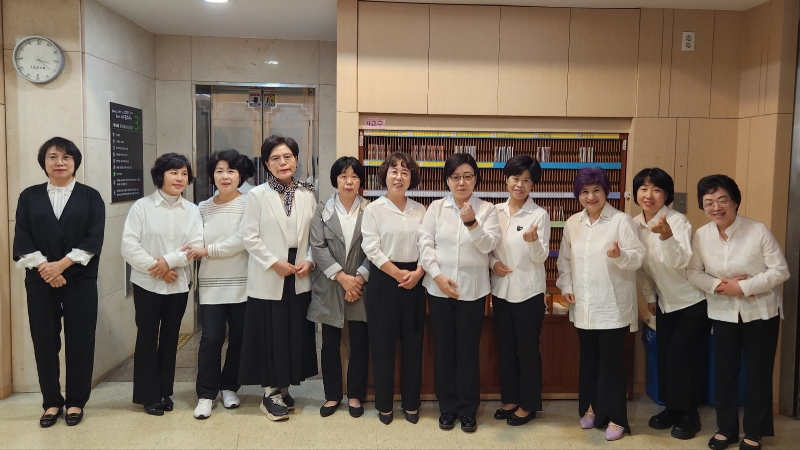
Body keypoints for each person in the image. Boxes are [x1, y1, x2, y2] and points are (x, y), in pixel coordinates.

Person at [687, 175, 790, 450]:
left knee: (758, 374)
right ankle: (726, 429)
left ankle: (754, 432)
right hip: (722, 313)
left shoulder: (758, 231)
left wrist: (743, 287)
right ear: (702, 206)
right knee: (725, 373)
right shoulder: (701, 235)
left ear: (735, 201)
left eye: (723, 200)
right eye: (709, 202)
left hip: (761, 313)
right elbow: (693, 272)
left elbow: (780, 270)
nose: (716, 207)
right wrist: (721, 286)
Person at [13, 137, 105, 427]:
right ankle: (52, 401)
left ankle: (76, 401)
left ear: (75, 162)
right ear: (44, 162)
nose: (60, 162)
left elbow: (94, 238)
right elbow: (22, 237)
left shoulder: (91, 196)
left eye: (66, 157)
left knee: (81, 340)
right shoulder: (29, 196)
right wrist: (46, 268)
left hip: (79, 279)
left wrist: (62, 265)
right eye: (53, 157)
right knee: (44, 340)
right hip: (40, 280)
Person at [556, 167, 644, 441]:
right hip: (583, 305)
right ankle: (591, 408)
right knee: (589, 361)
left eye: (596, 190)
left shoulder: (621, 221)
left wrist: (619, 256)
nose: (590, 196)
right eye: (584, 191)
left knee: (611, 364)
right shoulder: (573, 223)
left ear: (606, 192)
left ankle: (616, 418)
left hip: (612, 305)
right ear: (578, 195)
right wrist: (567, 287)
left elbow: (638, 257)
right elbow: (564, 260)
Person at [419, 153, 501, 433]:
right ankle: (447, 408)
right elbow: (425, 244)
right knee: (443, 351)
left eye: (467, 176)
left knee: (467, 352)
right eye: (455, 177)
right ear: (447, 180)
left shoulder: (487, 210)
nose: (461, 182)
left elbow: (488, 246)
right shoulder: (436, 208)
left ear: (476, 179)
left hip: (473, 292)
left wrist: (472, 223)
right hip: (439, 290)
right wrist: (437, 276)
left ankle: (467, 409)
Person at [239, 135, 318, 422]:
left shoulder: (307, 193)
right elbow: (248, 236)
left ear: (296, 159)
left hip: (299, 272)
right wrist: (274, 263)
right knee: (271, 333)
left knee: (294, 332)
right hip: (270, 273)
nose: (282, 162)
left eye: (287, 157)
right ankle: (269, 394)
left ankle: (283, 388)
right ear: (266, 163)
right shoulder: (257, 195)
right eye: (275, 158)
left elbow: (315, 234)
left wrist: (309, 260)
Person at [121, 153, 203, 416]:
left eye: (184, 173)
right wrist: (157, 269)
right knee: (147, 337)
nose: (180, 178)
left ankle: (165, 391)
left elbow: (195, 245)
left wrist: (168, 262)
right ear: (160, 175)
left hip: (178, 284)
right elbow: (129, 246)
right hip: (147, 284)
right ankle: (148, 395)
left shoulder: (192, 210)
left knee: (170, 338)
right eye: (173, 172)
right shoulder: (142, 207)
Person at [632, 168, 710, 440]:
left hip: (692, 300)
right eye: (643, 188)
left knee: (683, 356)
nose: (649, 195)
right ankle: (672, 409)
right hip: (665, 302)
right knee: (666, 356)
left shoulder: (677, 221)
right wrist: (650, 297)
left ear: (666, 195)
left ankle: (690, 414)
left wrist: (666, 236)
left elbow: (680, 261)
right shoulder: (634, 225)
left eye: (656, 189)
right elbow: (641, 267)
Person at [181, 150, 251, 419]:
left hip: (243, 283)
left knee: (239, 339)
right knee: (211, 338)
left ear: (240, 176)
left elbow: (242, 240)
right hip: (211, 284)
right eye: (219, 171)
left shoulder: (249, 204)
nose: (225, 176)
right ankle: (206, 394)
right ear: (212, 175)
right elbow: (194, 240)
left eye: (231, 171)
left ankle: (229, 387)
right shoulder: (202, 207)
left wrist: (208, 250)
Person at [361, 152, 426, 425]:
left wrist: (419, 272)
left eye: (405, 172)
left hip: (415, 280)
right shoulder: (373, 209)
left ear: (412, 178)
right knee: (383, 344)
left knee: (413, 344)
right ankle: (384, 404)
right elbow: (371, 248)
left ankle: (411, 403)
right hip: (384, 280)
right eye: (394, 171)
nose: (399, 177)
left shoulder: (421, 210)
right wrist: (398, 273)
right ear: (384, 175)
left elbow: (428, 245)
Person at [307, 157, 371, 418]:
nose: (349, 181)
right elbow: (317, 246)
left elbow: (375, 247)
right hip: (330, 284)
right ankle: (332, 395)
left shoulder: (370, 209)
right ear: (335, 180)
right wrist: (342, 278)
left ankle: (355, 395)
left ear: (360, 181)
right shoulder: (323, 209)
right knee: (330, 343)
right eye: (343, 176)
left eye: (354, 176)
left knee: (360, 342)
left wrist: (359, 278)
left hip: (361, 285)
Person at [489, 155, 549, 427]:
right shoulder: (494, 212)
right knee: (506, 348)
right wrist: (493, 264)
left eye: (527, 180)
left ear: (533, 184)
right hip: (501, 291)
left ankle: (529, 404)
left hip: (528, 293)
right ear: (506, 180)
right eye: (515, 178)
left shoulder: (539, 215)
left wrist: (534, 241)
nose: (520, 185)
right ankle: (510, 399)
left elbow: (541, 257)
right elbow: (487, 248)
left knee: (527, 350)